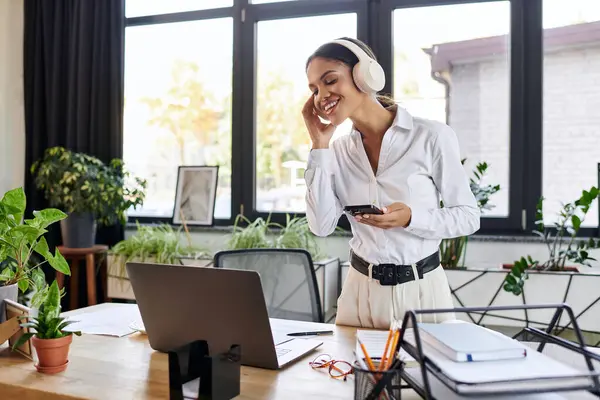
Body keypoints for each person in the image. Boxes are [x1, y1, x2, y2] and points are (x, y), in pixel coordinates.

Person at [302, 37, 480, 329]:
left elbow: (468, 217)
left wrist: (412, 218)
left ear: (364, 75)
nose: (322, 95)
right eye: (314, 90)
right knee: (354, 375)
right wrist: (319, 146)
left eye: (330, 80)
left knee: (419, 375)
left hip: (422, 291)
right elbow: (321, 226)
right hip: (359, 291)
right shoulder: (335, 152)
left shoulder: (431, 136)